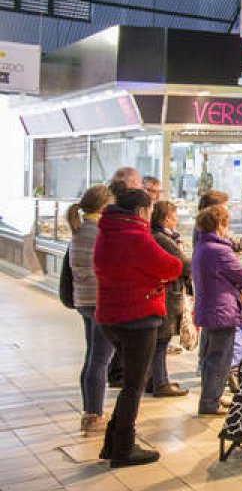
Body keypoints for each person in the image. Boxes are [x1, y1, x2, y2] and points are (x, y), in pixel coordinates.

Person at [93, 188, 182, 468]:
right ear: (142, 211)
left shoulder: (105, 232)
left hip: (109, 315)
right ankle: (124, 448)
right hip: (138, 317)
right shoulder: (137, 237)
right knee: (135, 384)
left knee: (131, 382)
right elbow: (172, 267)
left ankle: (113, 442)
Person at [192, 204, 242, 416]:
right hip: (221, 310)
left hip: (209, 307)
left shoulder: (203, 246)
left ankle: (211, 398)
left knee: (212, 357)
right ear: (220, 224)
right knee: (220, 358)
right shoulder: (219, 250)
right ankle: (210, 402)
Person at [67, 184, 115, 434]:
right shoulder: (98, 231)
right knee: (100, 361)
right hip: (99, 301)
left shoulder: (80, 229)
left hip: (84, 300)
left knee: (92, 358)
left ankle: (90, 411)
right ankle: (94, 414)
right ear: (104, 205)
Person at [104, 168, 142, 389]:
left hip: (109, 297)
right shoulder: (130, 231)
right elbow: (171, 266)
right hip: (123, 298)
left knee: (104, 350)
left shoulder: (109, 223)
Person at [147, 201, 189, 398]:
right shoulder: (162, 238)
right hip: (168, 294)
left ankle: (155, 379)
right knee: (161, 341)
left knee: (159, 341)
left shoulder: (163, 236)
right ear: (165, 219)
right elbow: (183, 264)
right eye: (174, 216)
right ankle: (160, 382)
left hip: (167, 292)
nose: (177, 219)